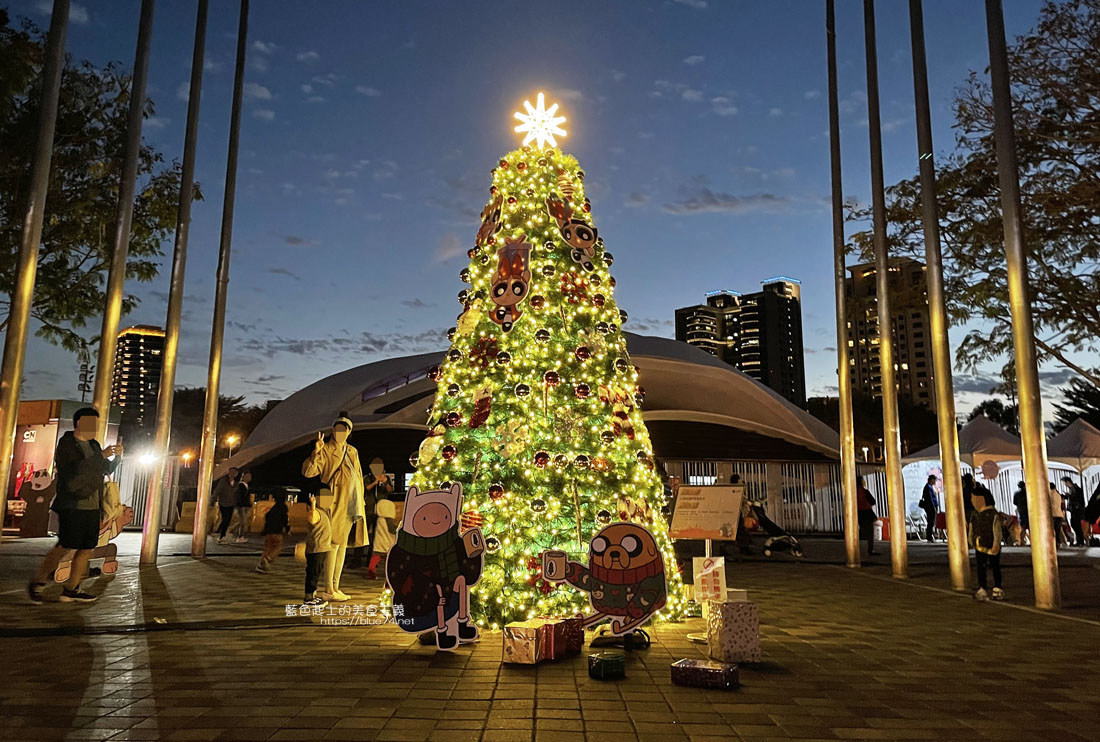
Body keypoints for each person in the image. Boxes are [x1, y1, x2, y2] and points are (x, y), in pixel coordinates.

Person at [28, 407, 122, 604]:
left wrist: (118, 458)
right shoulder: (67, 444)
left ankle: (71, 589)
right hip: (72, 503)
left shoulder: (95, 445)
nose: (94, 427)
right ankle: (38, 582)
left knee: (87, 548)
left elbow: (104, 469)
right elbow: (75, 470)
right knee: (65, 546)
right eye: (91, 423)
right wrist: (102, 456)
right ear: (80, 423)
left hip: (92, 505)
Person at [301, 415, 367, 602]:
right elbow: (308, 472)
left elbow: (359, 476)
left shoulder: (352, 451)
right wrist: (316, 452)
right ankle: (328, 587)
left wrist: (361, 500)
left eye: (344, 430)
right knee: (333, 544)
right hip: (334, 500)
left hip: (351, 502)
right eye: (337, 430)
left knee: (342, 545)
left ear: (349, 432)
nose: (340, 433)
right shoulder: (327, 449)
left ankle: (336, 586)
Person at [968, 488, 1004, 601]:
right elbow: (971, 530)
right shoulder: (975, 515)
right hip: (980, 545)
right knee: (982, 567)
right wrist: (971, 541)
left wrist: (996, 544)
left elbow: (997, 531)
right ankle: (983, 588)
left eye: (974, 499)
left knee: (993, 566)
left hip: (990, 544)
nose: (973, 501)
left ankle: (997, 588)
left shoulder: (992, 514)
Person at [302, 494, 332, 607]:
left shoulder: (324, 512)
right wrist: (313, 505)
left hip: (321, 548)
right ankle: (308, 598)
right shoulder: (315, 512)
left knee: (316, 572)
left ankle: (312, 595)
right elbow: (312, 519)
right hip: (316, 548)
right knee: (312, 573)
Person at [255, 492, 290, 573]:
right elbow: (284, 519)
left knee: (267, 547)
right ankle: (268, 559)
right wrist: (287, 528)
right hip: (277, 531)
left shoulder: (273, 509)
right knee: (278, 547)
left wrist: (264, 530)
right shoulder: (283, 508)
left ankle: (261, 563)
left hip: (269, 531)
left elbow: (267, 518)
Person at [366, 495, 398, 580]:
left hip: (379, 542)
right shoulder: (388, 520)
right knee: (389, 560)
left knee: (376, 557)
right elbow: (392, 531)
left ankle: (371, 570)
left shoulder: (379, 519)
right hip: (387, 543)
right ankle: (390, 573)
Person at [212, 468, 240, 544]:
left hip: (231, 503)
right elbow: (217, 491)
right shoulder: (223, 481)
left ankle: (219, 532)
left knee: (227, 519)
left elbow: (236, 494)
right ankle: (221, 535)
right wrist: (212, 499)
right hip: (223, 502)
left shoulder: (236, 483)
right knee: (226, 518)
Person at [1060, 476, 1086, 547]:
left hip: (1076, 510)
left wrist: (1069, 496)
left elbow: (1077, 498)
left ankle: (1080, 541)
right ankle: (1079, 541)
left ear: (1068, 482)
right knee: (1075, 525)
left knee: (1076, 525)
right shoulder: (1072, 488)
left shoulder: (1075, 488)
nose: (1065, 484)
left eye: (1065, 482)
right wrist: (1066, 496)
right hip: (1074, 510)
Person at [856, 475, 878, 556]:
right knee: (870, 532)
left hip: (858, 513)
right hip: (867, 513)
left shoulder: (853, 492)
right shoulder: (865, 491)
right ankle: (870, 549)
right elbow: (873, 501)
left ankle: (855, 549)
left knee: (860, 531)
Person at [233, 470, 253, 544]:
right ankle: (240, 536)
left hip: (244, 506)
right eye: (247, 476)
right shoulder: (241, 485)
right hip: (241, 506)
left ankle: (237, 534)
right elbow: (240, 497)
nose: (249, 478)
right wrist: (242, 505)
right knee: (242, 522)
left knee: (242, 522)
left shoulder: (245, 485)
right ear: (243, 477)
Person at [918, 474, 939, 543]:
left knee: (931, 522)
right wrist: (933, 506)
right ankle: (929, 536)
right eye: (934, 480)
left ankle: (930, 536)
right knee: (931, 521)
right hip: (930, 507)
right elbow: (929, 498)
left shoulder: (929, 487)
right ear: (931, 480)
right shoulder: (928, 487)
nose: (935, 482)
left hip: (931, 506)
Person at [1049, 481, 1067, 547]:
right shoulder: (1058, 494)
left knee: (1052, 530)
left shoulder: (1050, 494)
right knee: (1058, 530)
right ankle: (1058, 543)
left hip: (1053, 514)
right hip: (1059, 514)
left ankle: (1054, 543)